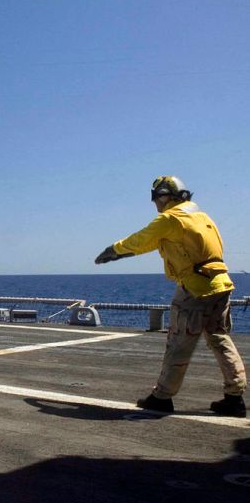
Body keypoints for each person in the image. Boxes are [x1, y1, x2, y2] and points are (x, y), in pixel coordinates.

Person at [95, 176, 246, 417]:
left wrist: (113, 250)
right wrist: (122, 254)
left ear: (165, 196)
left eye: (156, 198)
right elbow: (153, 244)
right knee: (220, 339)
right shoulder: (203, 218)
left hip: (195, 289)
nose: (155, 203)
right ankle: (235, 397)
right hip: (221, 284)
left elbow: (141, 239)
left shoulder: (170, 218)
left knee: (178, 342)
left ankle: (162, 397)